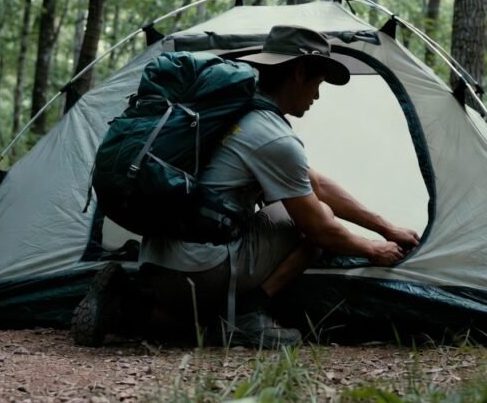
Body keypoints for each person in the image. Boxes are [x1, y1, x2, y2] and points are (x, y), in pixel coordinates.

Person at [71, 25, 420, 347]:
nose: (317, 95)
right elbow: (320, 228)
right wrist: (374, 250)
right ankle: (249, 316)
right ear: (299, 73)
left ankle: (124, 303)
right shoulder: (273, 137)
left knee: (193, 325)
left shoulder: (230, 110)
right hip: (197, 271)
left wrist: (386, 227)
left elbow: (313, 181)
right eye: (318, 82)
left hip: (158, 263)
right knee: (314, 222)